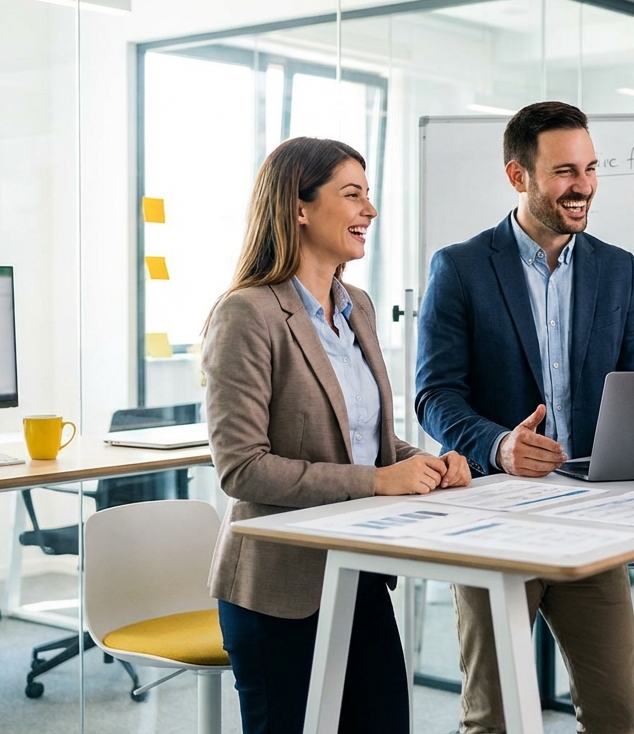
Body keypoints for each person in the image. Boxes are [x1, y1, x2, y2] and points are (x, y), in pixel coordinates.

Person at [202, 136, 471, 734]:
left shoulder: (358, 307)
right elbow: (242, 469)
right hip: (279, 588)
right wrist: (379, 479)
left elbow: (367, 441)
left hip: (359, 573)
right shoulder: (248, 313)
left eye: (369, 197)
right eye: (352, 196)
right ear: (299, 207)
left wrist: (428, 464)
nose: (369, 211)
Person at [415, 101, 634, 734]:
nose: (582, 186)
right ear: (518, 177)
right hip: (494, 522)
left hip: (592, 522)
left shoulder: (616, 268)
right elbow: (434, 395)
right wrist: (498, 447)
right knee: (491, 719)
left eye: (590, 168)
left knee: (615, 715)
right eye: (564, 172)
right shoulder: (461, 267)